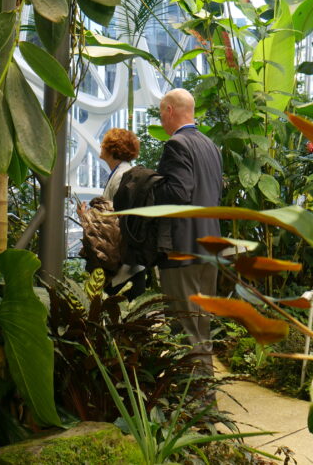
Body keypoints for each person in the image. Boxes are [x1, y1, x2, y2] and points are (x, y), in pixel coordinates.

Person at [154, 88, 222, 376]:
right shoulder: (211, 146)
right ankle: (205, 397)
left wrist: (150, 184)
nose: (161, 120)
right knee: (201, 328)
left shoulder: (177, 144)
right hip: (209, 248)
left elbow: (178, 192)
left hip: (183, 249)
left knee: (184, 329)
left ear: (170, 110)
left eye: (161, 114)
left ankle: (192, 398)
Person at [77, 128, 147, 298]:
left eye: (104, 143)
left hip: (122, 267)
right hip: (129, 264)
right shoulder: (124, 174)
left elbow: (112, 223)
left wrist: (87, 217)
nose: (101, 146)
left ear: (113, 149)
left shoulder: (121, 177)